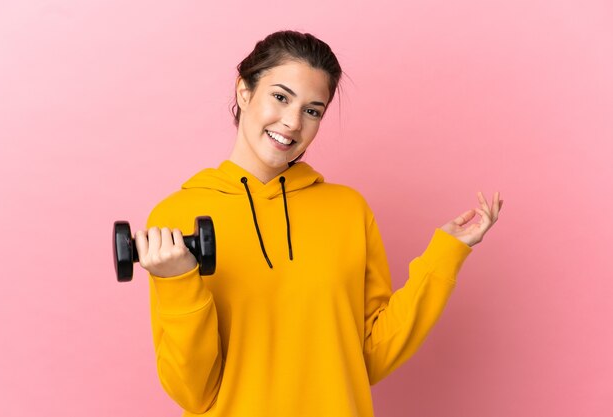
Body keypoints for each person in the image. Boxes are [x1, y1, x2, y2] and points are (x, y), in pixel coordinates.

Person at [134, 30, 503, 417]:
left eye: (312, 110)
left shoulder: (348, 210)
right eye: (280, 97)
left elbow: (369, 357)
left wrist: (444, 255)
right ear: (244, 92)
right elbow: (193, 393)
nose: (292, 123)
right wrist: (178, 283)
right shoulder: (174, 219)